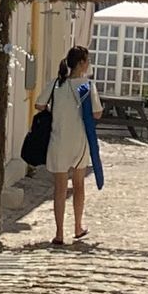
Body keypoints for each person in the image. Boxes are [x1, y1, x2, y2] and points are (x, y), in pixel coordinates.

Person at [47, 45, 103, 246]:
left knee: (59, 187)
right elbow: (97, 114)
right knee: (78, 185)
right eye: (87, 60)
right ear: (81, 63)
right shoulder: (87, 86)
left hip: (58, 139)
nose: (89, 64)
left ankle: (59, 232)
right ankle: (78, 226)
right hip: (79, 140)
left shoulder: (56, 84)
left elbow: (39, 104)